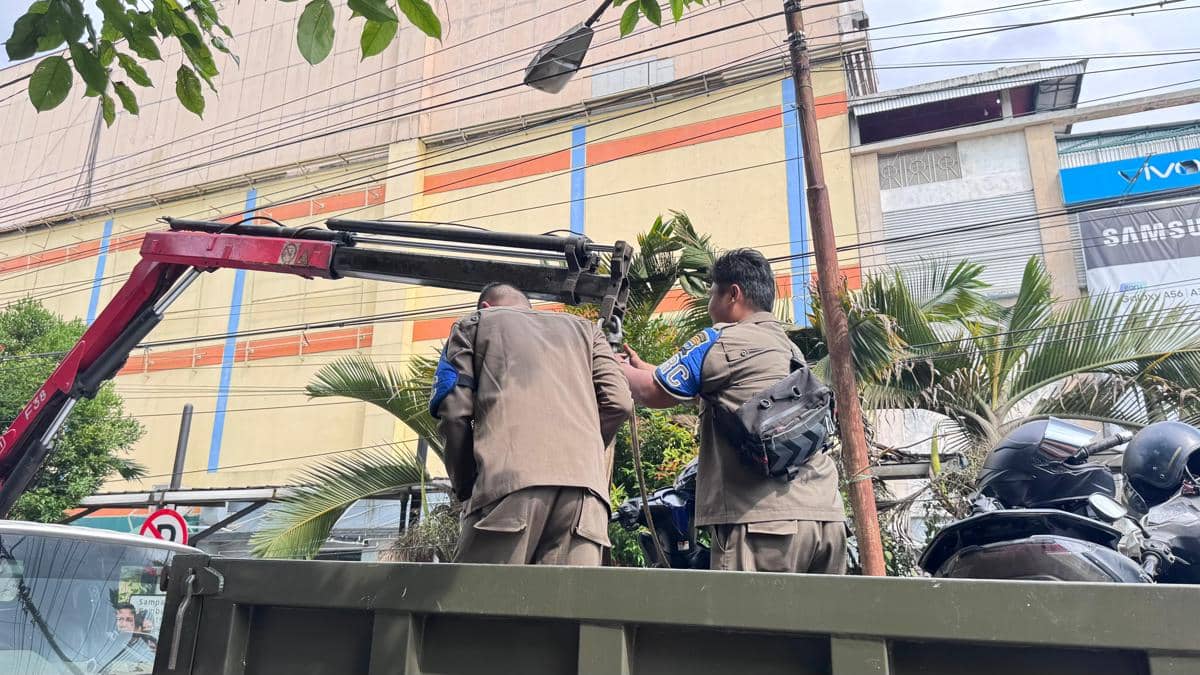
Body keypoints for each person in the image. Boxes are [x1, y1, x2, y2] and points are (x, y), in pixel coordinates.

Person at [619, 249, 846, 574]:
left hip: (765, 526)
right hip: (826, 520)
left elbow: (651, 392)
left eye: (712, 293)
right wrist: (646, 368)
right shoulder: (787, 348)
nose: (710, 304)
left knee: (744, 610)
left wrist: (606, 361)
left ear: (733, 294)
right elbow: (713, 389)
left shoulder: (720, 340)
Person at [430, 282, 633, 565]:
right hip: (586, 501)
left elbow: (454, 413)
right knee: (564, 596)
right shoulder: (588, 331)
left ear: (486, 307)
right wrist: (578, 454)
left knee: (478, 593)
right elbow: (620, 402)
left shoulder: (475, 324)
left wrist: (466, 486)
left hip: (507, 487)